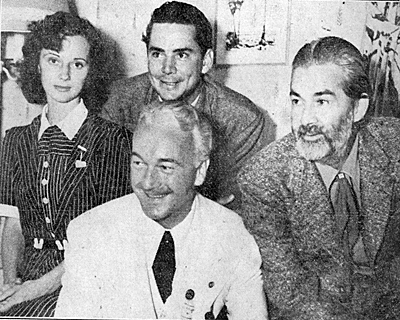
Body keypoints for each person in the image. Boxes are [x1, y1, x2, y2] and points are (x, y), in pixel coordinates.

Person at [55, 101, 268, 319]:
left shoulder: (232, 234)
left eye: (165, 167)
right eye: (138, 164)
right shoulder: (91, 233)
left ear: (200, 171)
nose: (147, 183)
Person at [238, 36, 400, 320]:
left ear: (358, 108)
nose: (305, 120)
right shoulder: (263, 178)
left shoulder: (394, 147)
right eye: (297, 100)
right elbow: (289, 294)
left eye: (322, 101)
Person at [0, 12, 132, 317]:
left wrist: (34, 290)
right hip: (24, 276)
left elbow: (105, 243)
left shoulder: (113, 140)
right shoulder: (16, 140)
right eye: (53, 60)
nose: (64, 75)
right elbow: (14, 224)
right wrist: (10, 283)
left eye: (77, 64)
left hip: (85, 278)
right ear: (36, 64)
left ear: (91, 71)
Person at [101, 1, 275, 209]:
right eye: (157, 54)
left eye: (181, 55)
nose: (167, 68)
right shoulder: (121, 101)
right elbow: (106, 190)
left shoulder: (241, 121)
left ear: (206, 61)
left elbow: (237, 209)